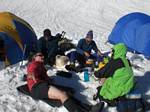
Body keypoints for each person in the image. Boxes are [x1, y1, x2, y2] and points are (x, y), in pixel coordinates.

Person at [27, 52, 103, 112]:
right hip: (37, 87)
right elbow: (32, 70)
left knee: (66, 93)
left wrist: (48, 80)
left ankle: (89, 108)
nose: (42, 56)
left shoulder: (41, 66)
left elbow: (44, 77)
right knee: (62, 95)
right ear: (35, 57)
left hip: (43, 85)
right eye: (40, 55)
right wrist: (31, 75)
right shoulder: (34, 64)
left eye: (43, 55)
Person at [94, 43, 134, 109]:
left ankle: (113, 101)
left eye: (113, 51)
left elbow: (102, 72)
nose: (112, 53)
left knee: (101, 93)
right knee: (109, 79)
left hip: (119, 87)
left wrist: (95, 73)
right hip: (128, 87)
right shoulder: (126, 61)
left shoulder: (116, 62)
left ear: (118, 51)